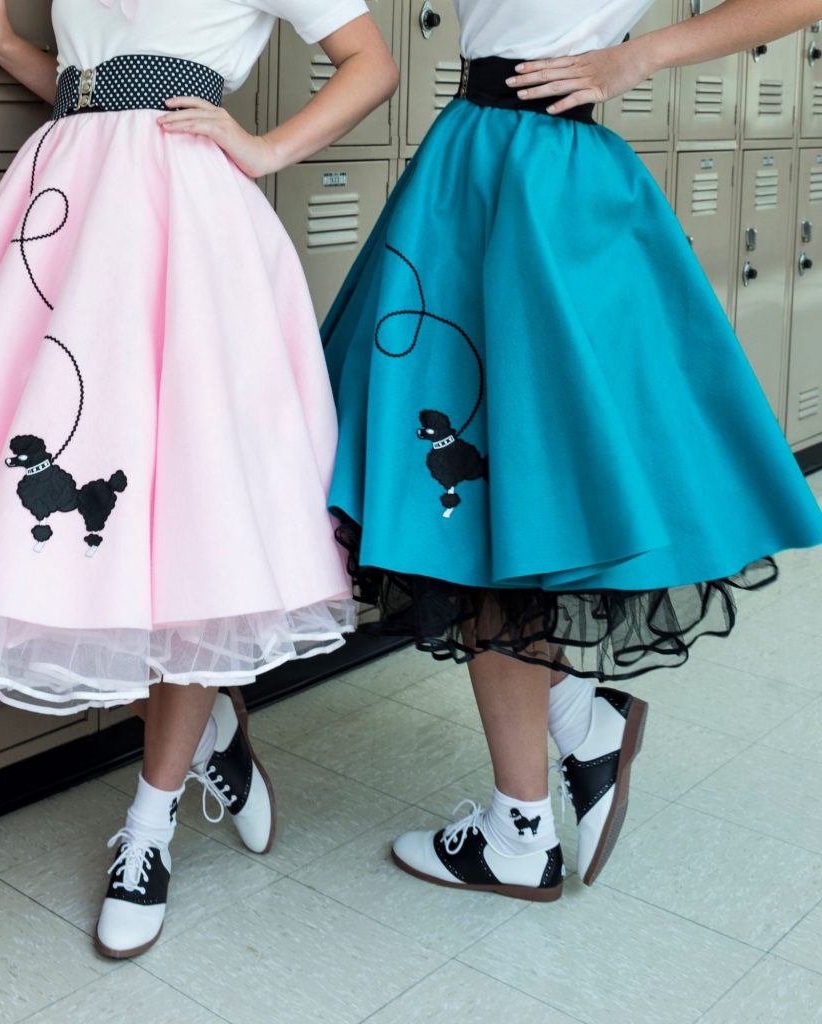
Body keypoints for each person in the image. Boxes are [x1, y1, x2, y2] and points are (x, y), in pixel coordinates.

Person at [0, 0, 397, 956]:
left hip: (184, 234)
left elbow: (372, 60)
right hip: (64, 215)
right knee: (104, 538)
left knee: (190, 523)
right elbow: (89, 87)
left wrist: (270, 149)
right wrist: (1, 43)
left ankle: (151, 832)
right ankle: (213, 736)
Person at [323, 0, 822, 901]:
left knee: (500, 505)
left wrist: (636, 59)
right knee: (496, 506)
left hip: (534, 177)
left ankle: (525, 824)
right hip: (477, 163)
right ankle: (574, 725)